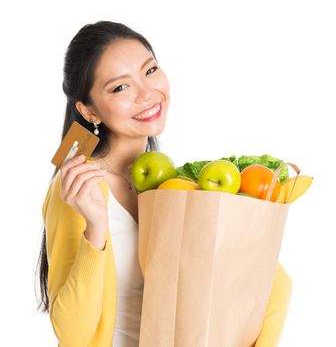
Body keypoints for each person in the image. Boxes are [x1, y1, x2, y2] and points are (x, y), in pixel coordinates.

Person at [36, 21, 292, 347]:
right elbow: (72, 334)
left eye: (150, 70)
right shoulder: (79, 188)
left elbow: (269, 279)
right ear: (89, 110)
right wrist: (95, 230)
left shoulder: (176, 186)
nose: (146, 93)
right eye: (120, 87)